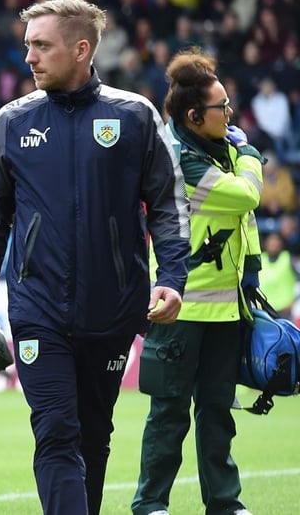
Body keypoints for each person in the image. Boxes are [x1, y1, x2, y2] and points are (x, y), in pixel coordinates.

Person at [0, 0, 191, 515]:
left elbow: (168, 207)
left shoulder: (135, 116)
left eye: (41, 46)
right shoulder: (10, 123)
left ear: (82, 49)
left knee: (93, 436)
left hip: (112, 309)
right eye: (27, 46)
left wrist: (172, 277)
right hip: (36, 312)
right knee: (57, 433)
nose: (30, 58)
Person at [132, 48, 261, 515]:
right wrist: (248, 153)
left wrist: (252, 283)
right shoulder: (180, 159)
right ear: (193, 115)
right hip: (179, 308)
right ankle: (150, 504)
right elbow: (246, 197)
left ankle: (225, 504)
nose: (229, 114)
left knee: (217, 413)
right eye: (221, 107)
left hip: (225, 309)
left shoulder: (215, 149)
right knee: (168, 413)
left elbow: (243, 229)